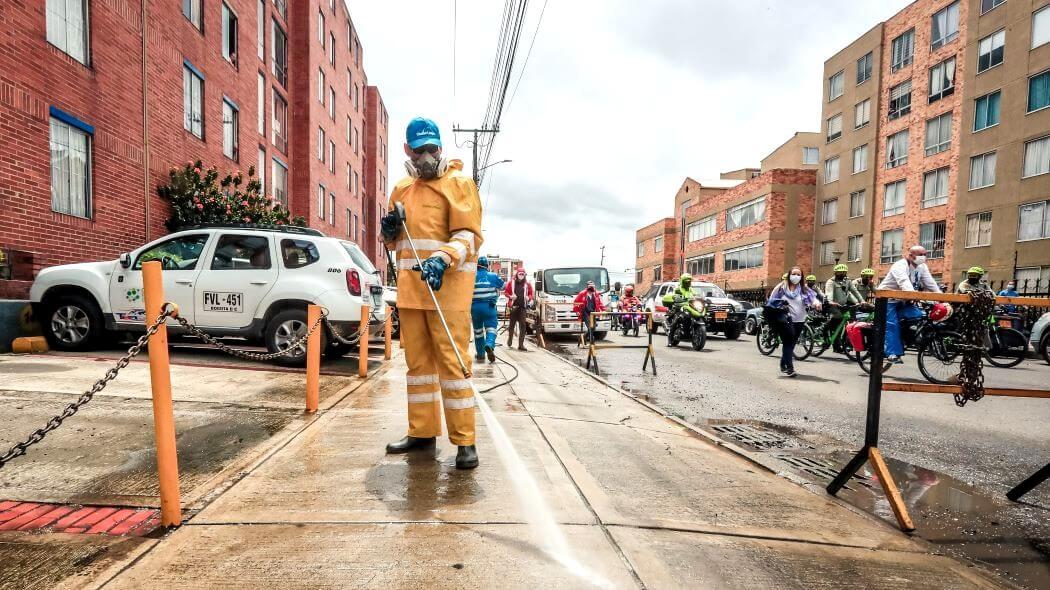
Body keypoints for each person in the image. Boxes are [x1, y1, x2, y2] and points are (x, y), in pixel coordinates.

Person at [380, 117, 483, 470]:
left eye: (432, 149)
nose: (426, 156)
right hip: (411, 294)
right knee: (418, 368)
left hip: (448, 294)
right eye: (419, 149)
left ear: (440, 147)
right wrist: (388, 232)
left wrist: (443, 258)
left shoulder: (459, 184)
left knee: (453, 366)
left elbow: (469, 236)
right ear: (407, 149)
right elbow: (396, 244)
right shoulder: (401, 189)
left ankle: (465, 442)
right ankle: (422, 433)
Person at [877, 245, 941, 371]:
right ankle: (891, 353)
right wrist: (913, 295)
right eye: (921, 254)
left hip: (905, 300)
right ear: (911, 255)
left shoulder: (922, 267)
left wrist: (942, 297)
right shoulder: (899, 266)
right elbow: (904, 282)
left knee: (918, 316)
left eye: (925, 254)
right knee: (892, 324)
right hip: (887, 300)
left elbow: (930, 283)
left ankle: (903, 339)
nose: (924, 257)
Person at [766, 267, 821, 377]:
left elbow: (813, 299)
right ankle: (790, 368)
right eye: (794, 274)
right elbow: (772, 301)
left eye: (798, 274)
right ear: (790, 275)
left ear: (801, 277)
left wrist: (816, 304)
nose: (796, 276)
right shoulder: (781, 287)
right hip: (785, 320)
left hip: (800, 321)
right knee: (788, 342)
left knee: (791, 344)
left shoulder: (804, 289)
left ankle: (783, 364)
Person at [471, 256, 504, 363]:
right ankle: (489, 344)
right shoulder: (493, 276)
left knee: (478, 332)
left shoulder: (471, 276)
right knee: (491, 328)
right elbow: (503, 285)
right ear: (487, 266)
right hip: (489, 307)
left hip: (475, 307)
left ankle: (480, 354)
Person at [503, 267, 534, 351]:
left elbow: (531, 294)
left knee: (523, 326)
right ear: (517, 274)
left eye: (522, 274)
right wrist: (510, 296)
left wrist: (529, 297)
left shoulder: (527, 284)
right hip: (513, 307)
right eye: (520, 274)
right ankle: (510, 339)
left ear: (524, 275)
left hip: (522, 307)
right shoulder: (511, 283)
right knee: (512, 325)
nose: (521, 275)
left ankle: (521, 345)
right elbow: (505, 292)